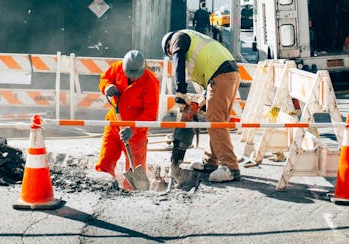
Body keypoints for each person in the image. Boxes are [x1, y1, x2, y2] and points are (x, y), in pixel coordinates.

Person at [161, 29, 241, 182]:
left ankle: (230, 167)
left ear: (168, 47)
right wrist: (201, 102)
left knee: (216, 122)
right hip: (228, 73)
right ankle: (210, 161)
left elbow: (178, 58)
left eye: (170, 53)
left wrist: (181, 92)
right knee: (216, 120)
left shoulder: (178, 37)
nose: (172, 55)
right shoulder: (196, 41)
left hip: (221, 74)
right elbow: (207, 75)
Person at [96, 50, 159, 189]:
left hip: (135, 134)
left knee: (135, 168)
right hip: (114, 124)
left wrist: (133, 128)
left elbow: (150, 114)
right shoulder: (117, 67)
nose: (133, 77)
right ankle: (103, 189)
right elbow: (104, 79)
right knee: (105, 162)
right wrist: (107, 87)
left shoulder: (150, 82)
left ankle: (132, 197)